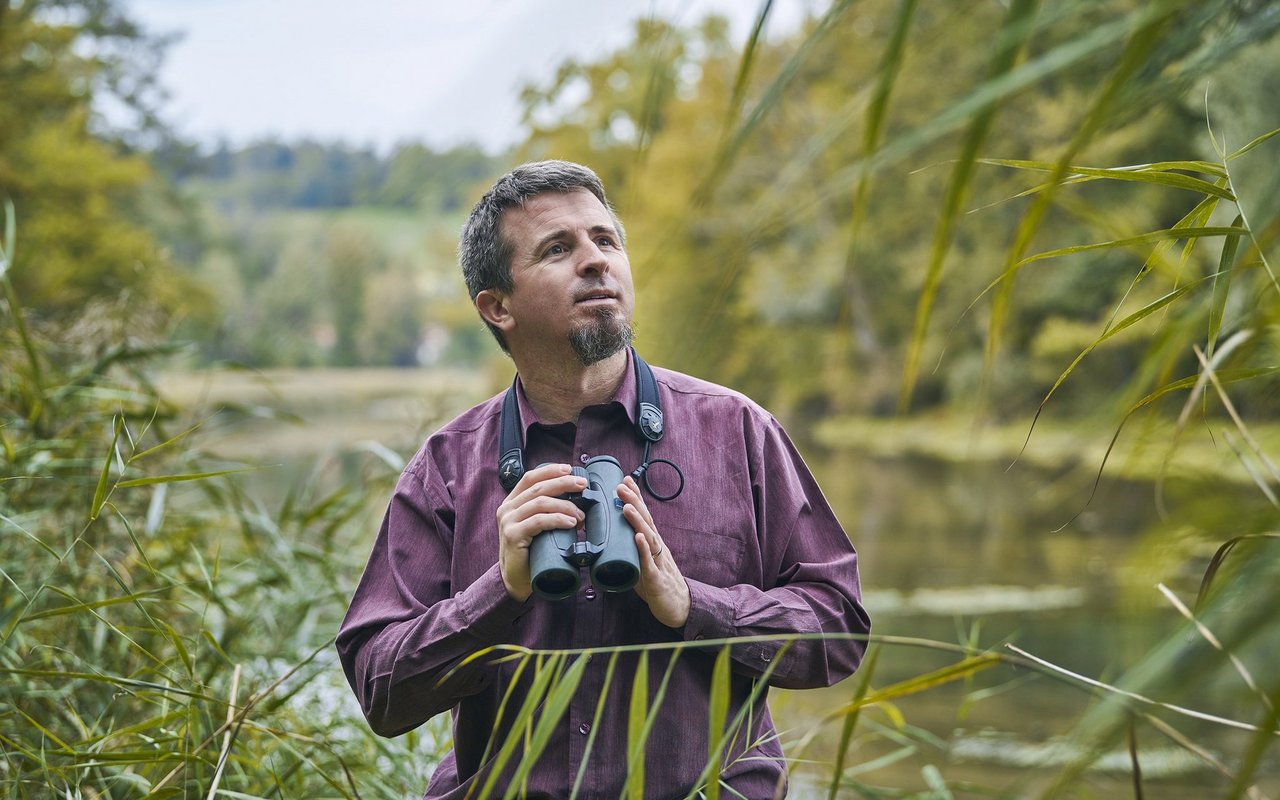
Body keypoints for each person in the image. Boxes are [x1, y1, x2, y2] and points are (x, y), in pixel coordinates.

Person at [336, 160, 871, 799]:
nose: (595, 261)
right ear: (497, 306)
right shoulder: (450, 467)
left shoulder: (737, 433)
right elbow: (380, 690)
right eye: (558, 249)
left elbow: (838, 629)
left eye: (605, 240)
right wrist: (498, 593)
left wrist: (694, 605)